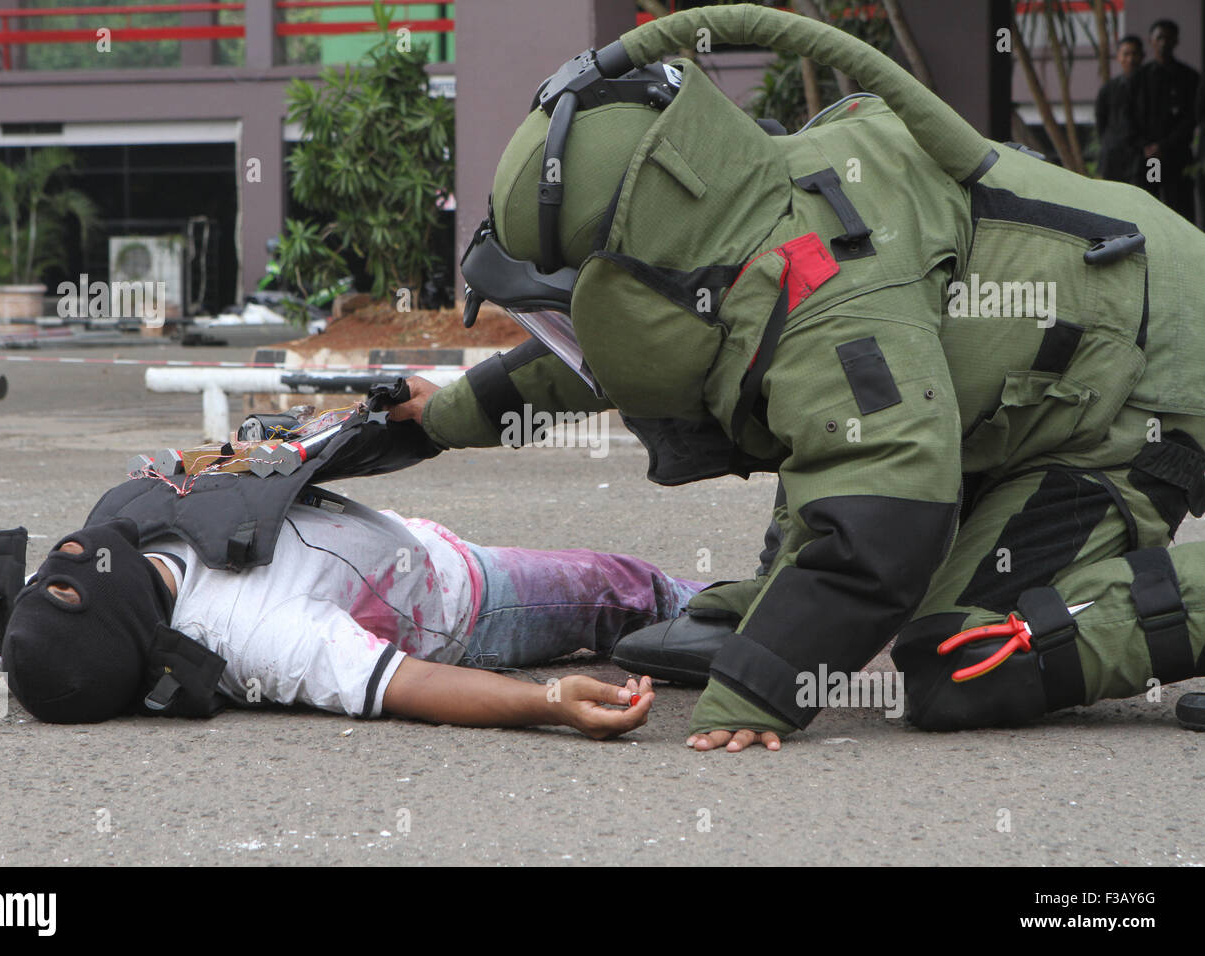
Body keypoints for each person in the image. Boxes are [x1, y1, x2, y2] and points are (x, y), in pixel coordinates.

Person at [391, 4, 1205, 752]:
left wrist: (760, 688)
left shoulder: (830, 289)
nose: (569, 334)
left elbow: (887, 512)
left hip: (1139, 391)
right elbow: (594, 355)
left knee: (960, 660)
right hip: (1018, 396)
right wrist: (439, 416)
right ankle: (783, 610)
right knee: (829, 434)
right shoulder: (726, 233)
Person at [0, 492, 701, 738]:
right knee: (620, 591)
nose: (58, 566)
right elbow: (408, 685)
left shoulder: (13, 631)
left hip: (388, 535)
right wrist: (553, 701)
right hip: (461, 597)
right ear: (119, 629)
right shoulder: (256, 633)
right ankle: (730, 613)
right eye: (69, 587)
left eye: (48, 577)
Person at [1130, 19, 1198, 219]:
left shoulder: (1189, 77)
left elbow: (1191, 117)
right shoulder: (1139, 78)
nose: (1163, 43)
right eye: (1159, 38)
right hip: (1151, 159)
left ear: (1176, 41)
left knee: (1180, 209)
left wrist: (1164, 145)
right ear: (1151, 41)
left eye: (1168, 38)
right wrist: (1146, 146)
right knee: (1150, 205)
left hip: (1176, 156)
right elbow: (1129, 116)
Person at [1096, 35, 1143, 184]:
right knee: (1113, 197)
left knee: (1151, 193)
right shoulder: (1108, 89)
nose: (1130, 59)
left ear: (1142, 56)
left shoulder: (1152, 85)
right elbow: (1101, 122)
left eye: (1134, 54)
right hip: (1113, 155)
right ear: (1118, 57)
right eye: (1126, 54)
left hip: (1148, 157)